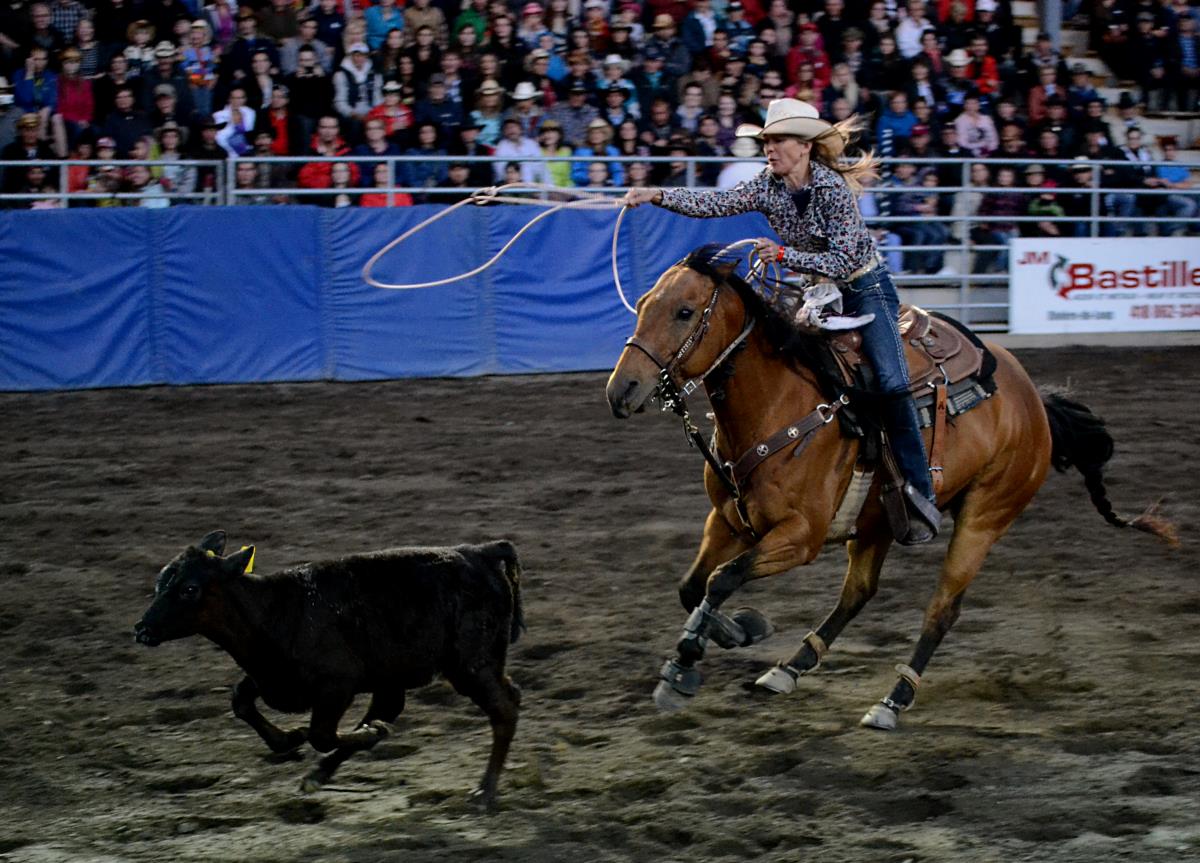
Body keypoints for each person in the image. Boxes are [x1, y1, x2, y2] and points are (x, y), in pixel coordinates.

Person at [620, 98, 941, 544]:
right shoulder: (766, 186)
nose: (769, 148)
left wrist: (787, 255)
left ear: (805, 146)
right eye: (766, 141)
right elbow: (717, 203)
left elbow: (847, 256)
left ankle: (919, 490)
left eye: (779, 140)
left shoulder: (831, 189)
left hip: (864, 287)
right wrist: (657, 195)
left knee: (890, 381)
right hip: (818, 290)